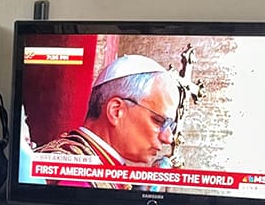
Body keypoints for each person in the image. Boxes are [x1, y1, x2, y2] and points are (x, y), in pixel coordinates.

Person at [34, 54, 179, 188]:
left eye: (170, 125)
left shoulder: (108, 169)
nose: (168, 138)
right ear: (116, 111)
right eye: (159, 121)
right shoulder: (74, 176)